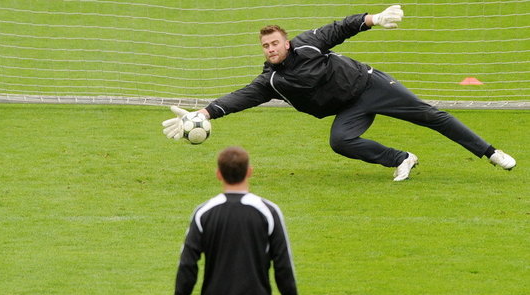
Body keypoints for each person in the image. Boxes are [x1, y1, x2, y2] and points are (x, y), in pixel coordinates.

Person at [162, 5, 516, 181]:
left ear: (286, 42)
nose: (270, 49)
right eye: (265, 46)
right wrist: (204, 114)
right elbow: (238, 98)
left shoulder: (309, 45)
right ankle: (401, 158)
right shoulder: (271, 81)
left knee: (431, 117)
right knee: (341, 141)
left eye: (274, 43)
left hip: (371, 85)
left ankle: (491, 153)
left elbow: (341, 28)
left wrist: (373, 18)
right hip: (350, 108)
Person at [171, 146, 302, 295]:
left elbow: (188, 264)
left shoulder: (204, 212)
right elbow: (283, 264)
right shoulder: (269, 212)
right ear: (250, 172)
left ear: (218, 174)